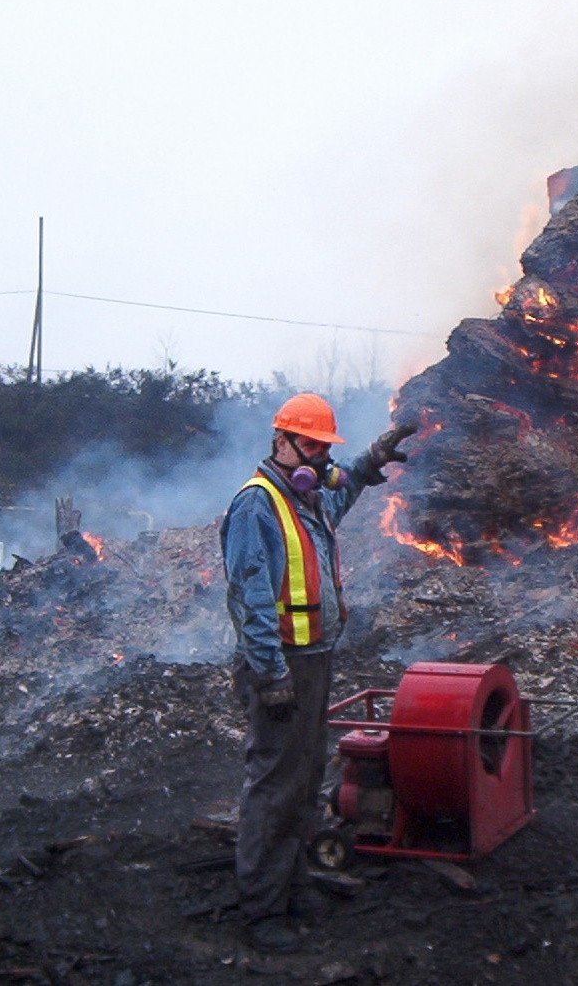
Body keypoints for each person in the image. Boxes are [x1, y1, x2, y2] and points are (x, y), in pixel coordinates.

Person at [220, 392, 414, 952]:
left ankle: (292, 884)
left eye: (324, 448)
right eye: (309, 445)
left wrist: (373, 457)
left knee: (305, 780)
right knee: (275, 785)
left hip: (313, 660)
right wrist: (270, 674)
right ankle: (262, 910)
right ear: (279, 441)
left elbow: (345, 490)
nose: (319, 458)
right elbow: (250, 597)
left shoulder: (305, 501)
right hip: (283, 668)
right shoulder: (258, 506)